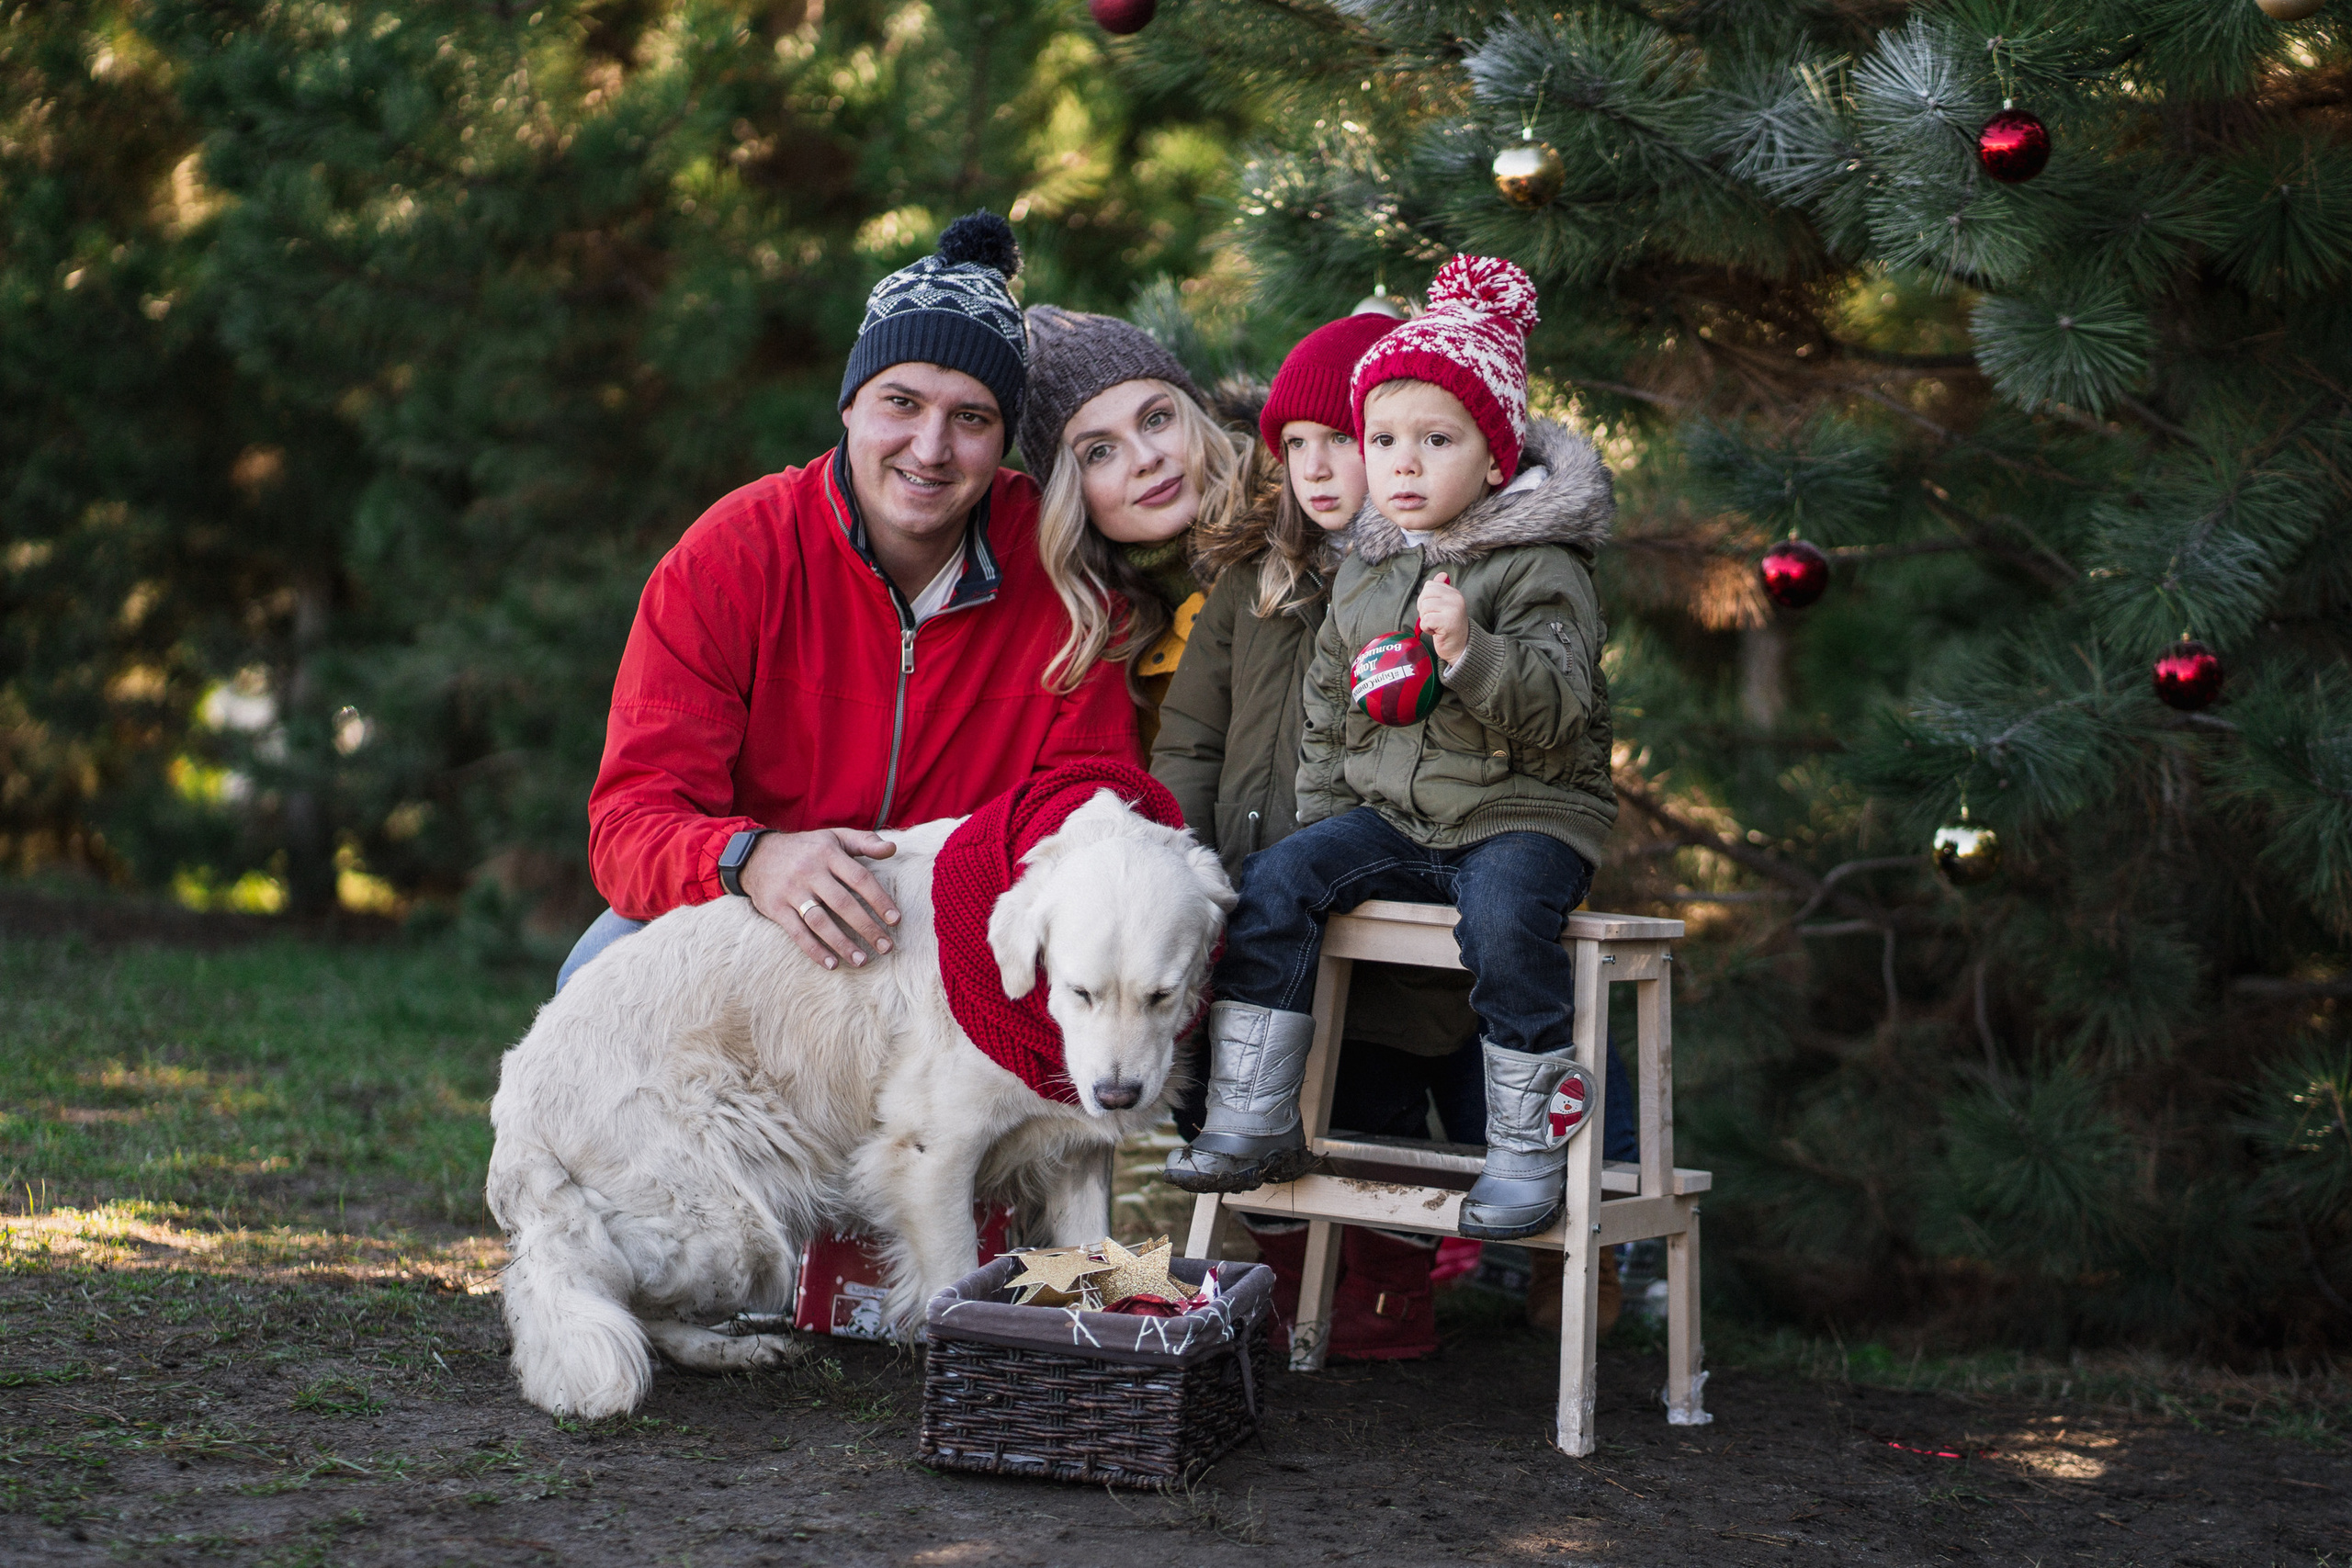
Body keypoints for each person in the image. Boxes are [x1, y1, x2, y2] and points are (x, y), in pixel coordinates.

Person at [1164, 254, 1621, 1249]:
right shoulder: (1373, 566)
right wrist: (1333, 828)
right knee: (1279, 882)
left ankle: (1522, 1146)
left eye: (1435, 441)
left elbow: (1559, 713)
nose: (1401, 464)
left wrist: (1468, 654)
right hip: (1400, 819)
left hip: (1521, 813)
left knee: (1503, 924)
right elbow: (1329, 707)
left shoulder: (1539, 563)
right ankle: (1253, 1116)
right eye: (1385, 440)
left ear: (1495, 458)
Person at [559, 213, 1136, 989]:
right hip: (756, 919)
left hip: (967, 939)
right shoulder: (733, 558)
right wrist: (753, 857)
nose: (930, 449)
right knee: (600, 967)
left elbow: (1090, 811)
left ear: (1001, 441)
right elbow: (632, 825)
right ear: (850, 406)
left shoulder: (1061, 569)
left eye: (970, 418)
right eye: (901, 402)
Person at [1015, 306, 1255, 751]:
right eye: (1100, 451)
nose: (1146, 458)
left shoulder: (1305, 540)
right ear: (1071, 494)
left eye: (1156, 419)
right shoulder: (1095, 649)